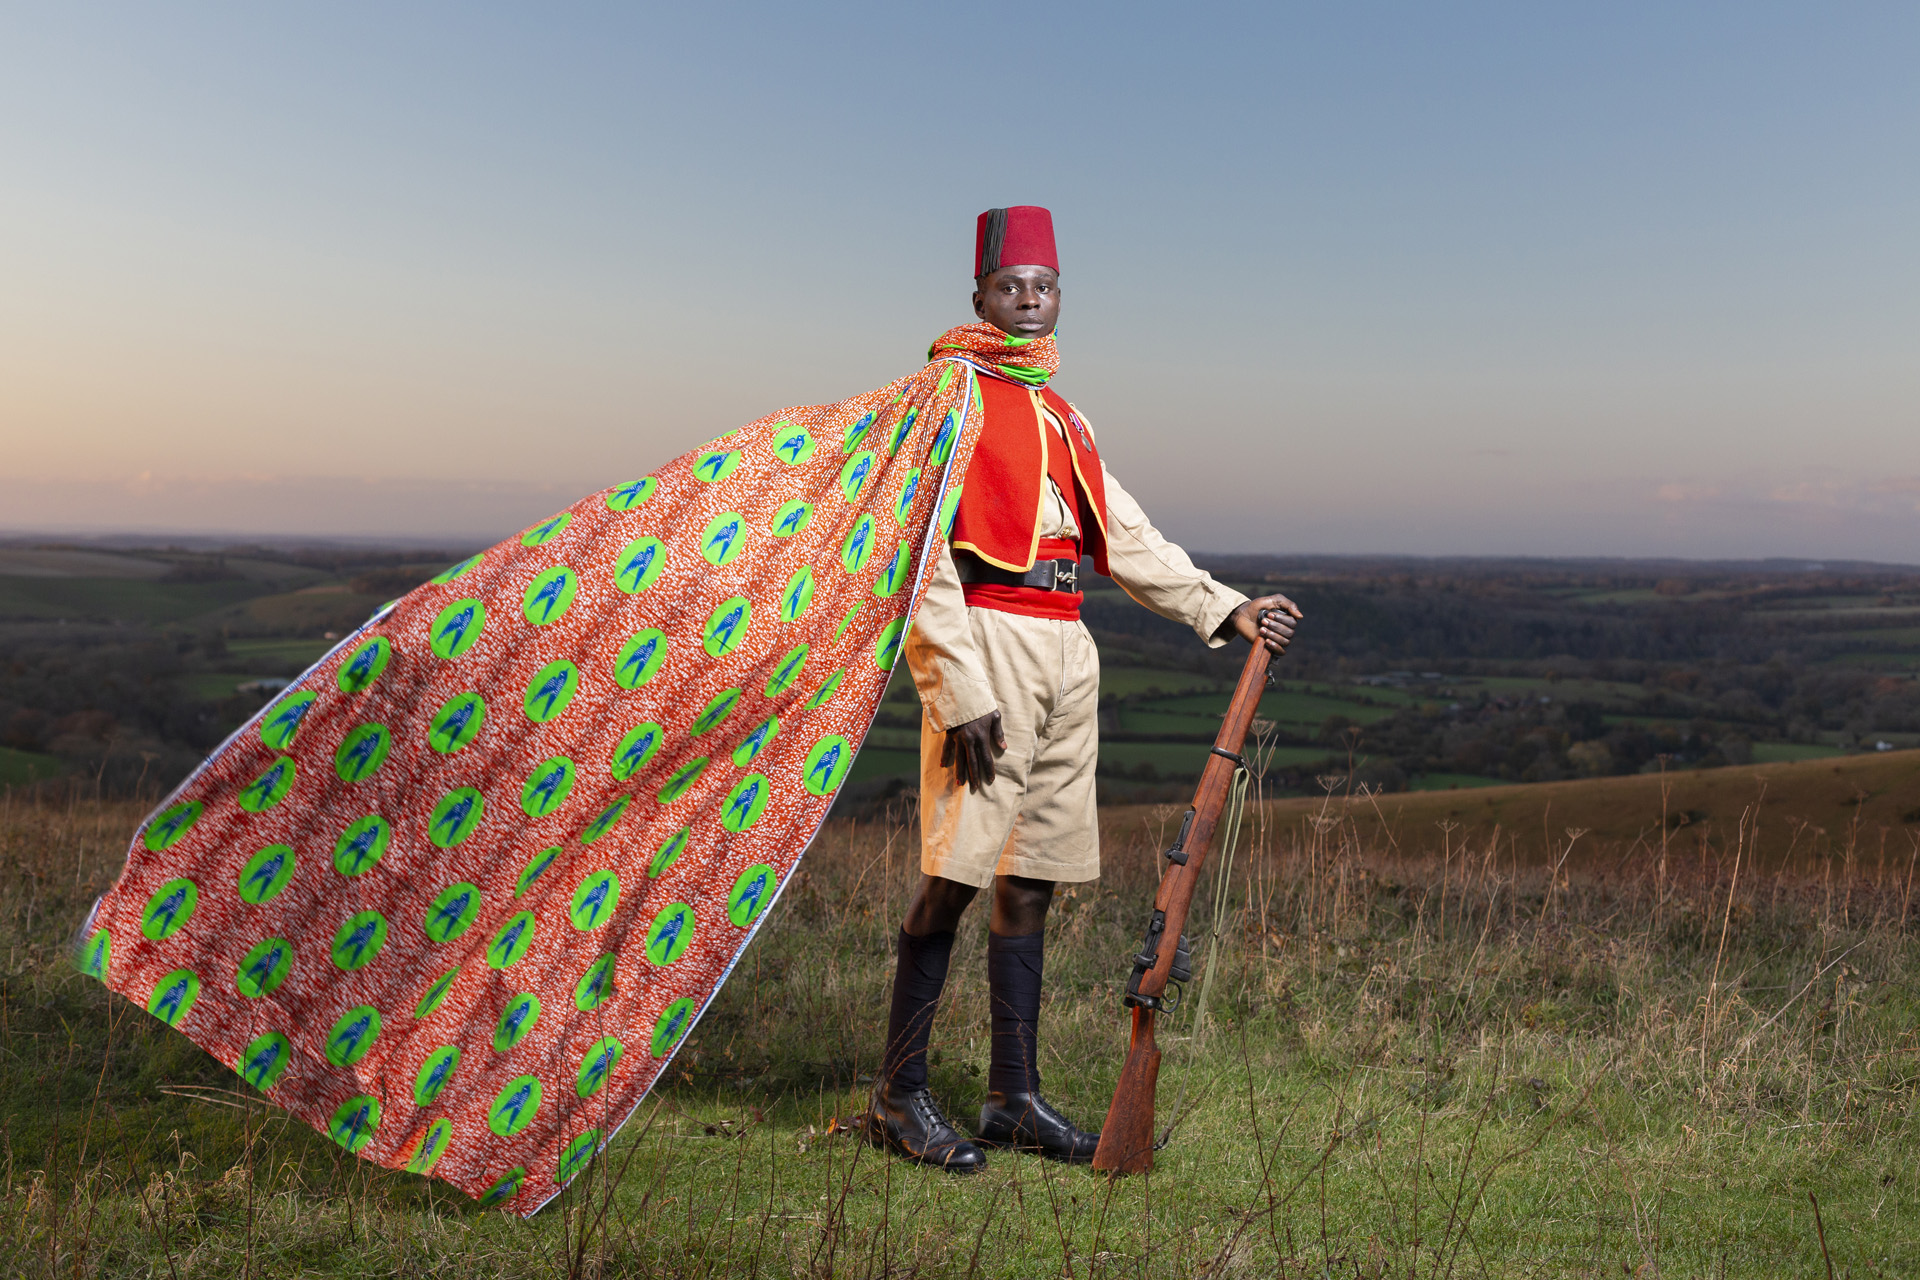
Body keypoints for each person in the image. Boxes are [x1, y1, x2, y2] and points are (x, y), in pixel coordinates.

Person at [864, 206, 1300, 1171]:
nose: (1029, 300)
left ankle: (1010, 1099)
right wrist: (959, 684)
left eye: (1045, 286)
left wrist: (1222, 607)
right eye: (1010, 285)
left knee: (1034, 882)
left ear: (1061, 298)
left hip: (1070, 647)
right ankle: (899, 1098)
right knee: (956, 877)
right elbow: (919, 555)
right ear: (977, 294)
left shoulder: (1066, 413)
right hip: (990, 644)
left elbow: (1126, 534)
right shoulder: (945, 397)